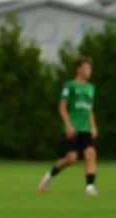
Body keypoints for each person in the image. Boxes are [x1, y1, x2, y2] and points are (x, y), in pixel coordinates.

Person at [38, 57, 98, 196]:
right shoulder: (69, 86)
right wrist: (68, 126)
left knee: (90, 154)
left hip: (86, 128)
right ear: (78, 70)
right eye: (86, 68)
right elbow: (62, 108)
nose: (89, 71)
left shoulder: (91, 88)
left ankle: (90, 186)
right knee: (71, 158)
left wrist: (93, 126)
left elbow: (89, 109)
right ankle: (48, 177)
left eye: (90, 68)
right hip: (73, 128)